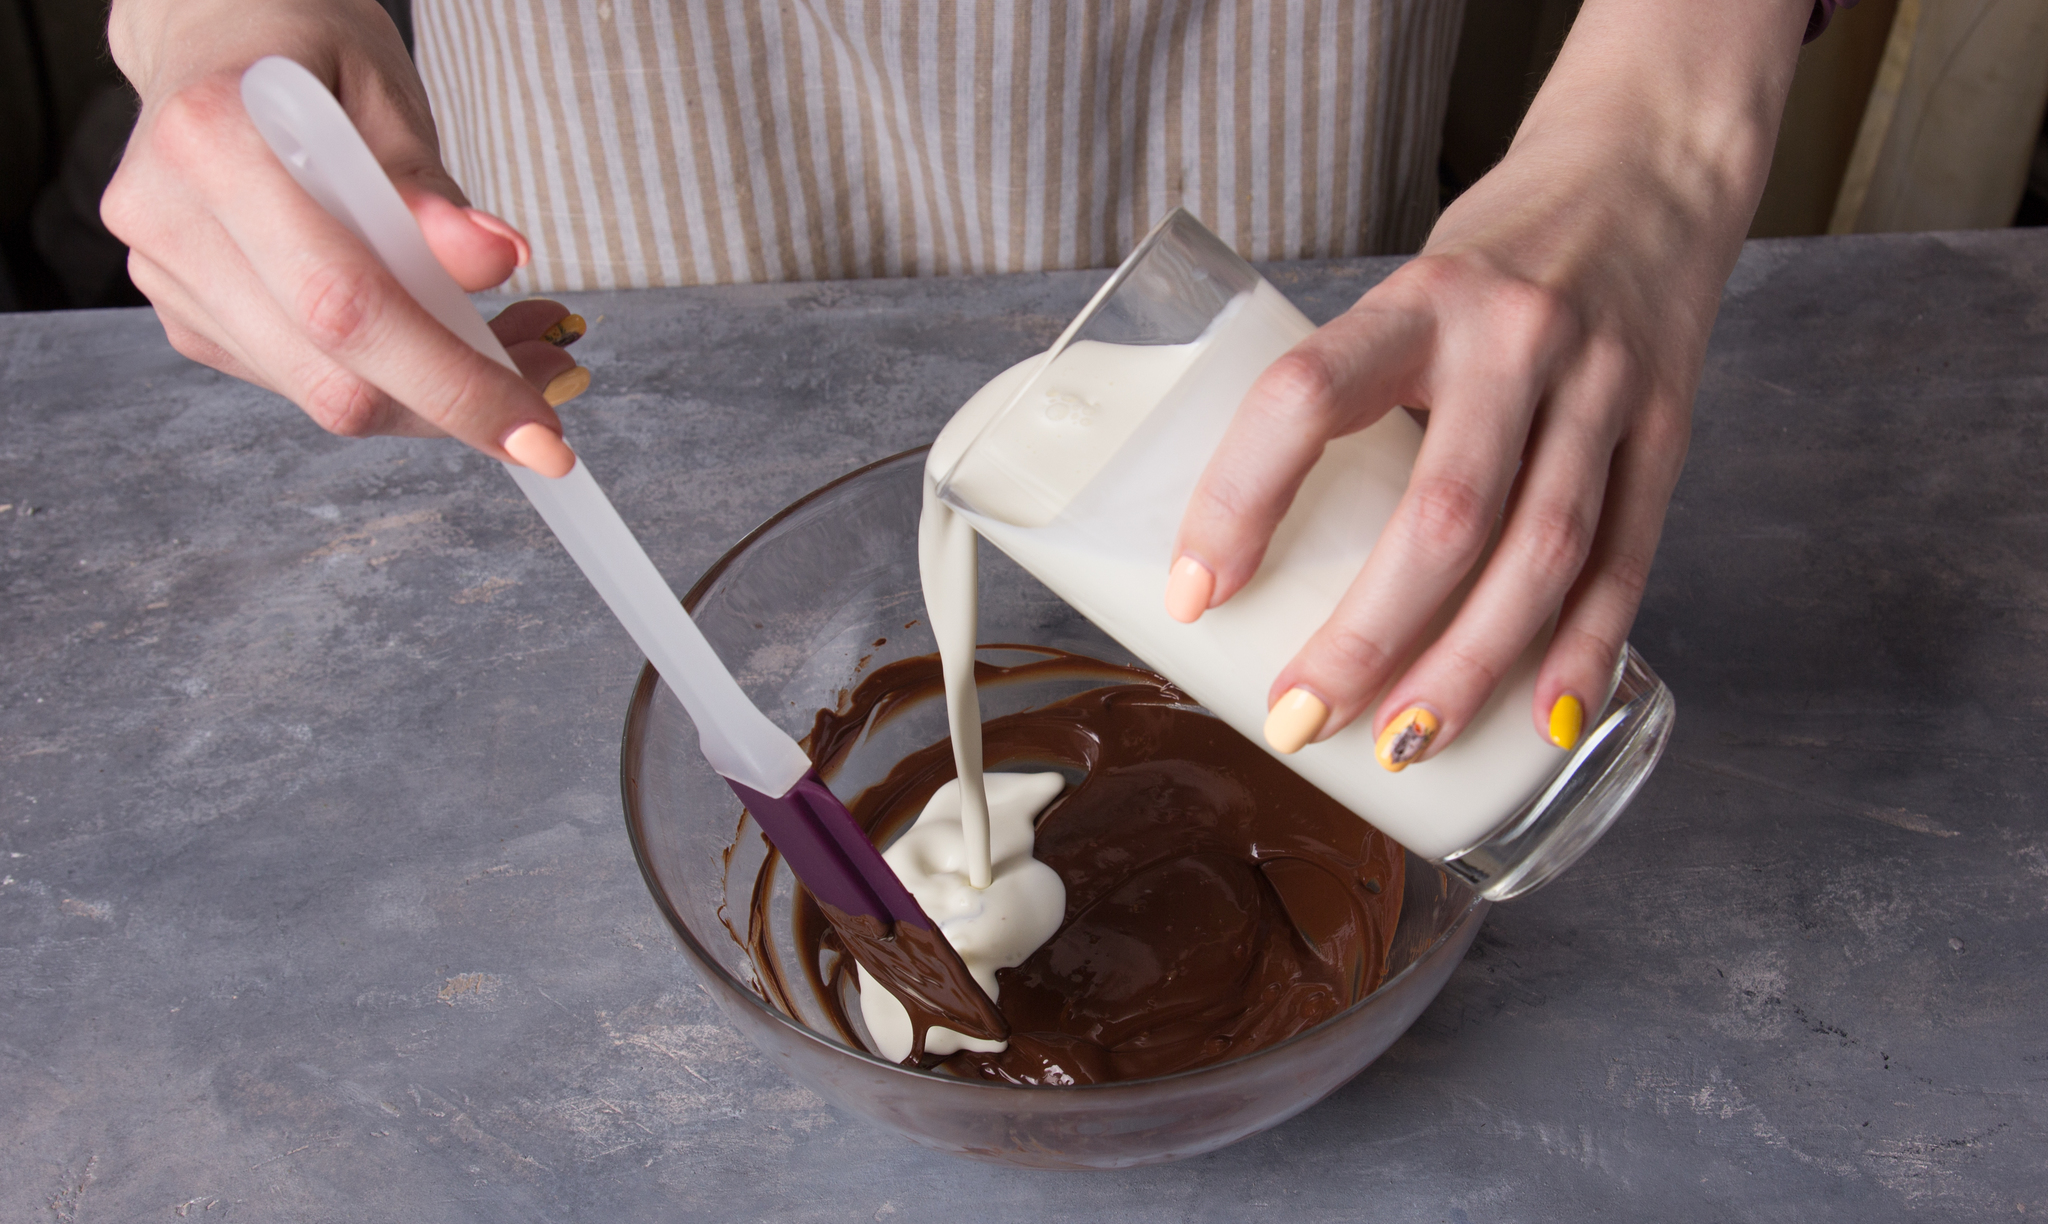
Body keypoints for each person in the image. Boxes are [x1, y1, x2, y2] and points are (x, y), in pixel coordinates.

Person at [100, 0, 1822, 772]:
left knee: (1319, 587)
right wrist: (213, 28)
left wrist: (1666, 125)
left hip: (1273, 211)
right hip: (616, 231)